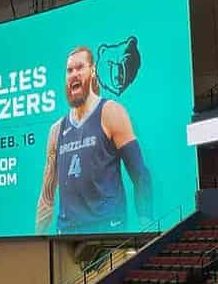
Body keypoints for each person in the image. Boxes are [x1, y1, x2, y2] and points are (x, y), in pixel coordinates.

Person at [35, 46, 152, 234]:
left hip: (108, 229)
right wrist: (37, 241)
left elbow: (140, 175)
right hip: (68, 233)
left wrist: (146, 227)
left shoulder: (110, 112)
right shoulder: (56, 130)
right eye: (69, 70)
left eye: (80, 68)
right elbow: (47, 196)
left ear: (93, 70)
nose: (74, 74)